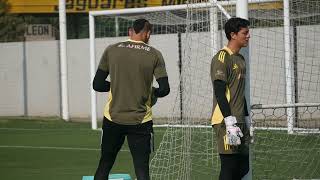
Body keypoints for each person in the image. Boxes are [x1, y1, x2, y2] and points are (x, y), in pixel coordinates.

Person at [92, 19, 170, 180]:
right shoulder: (154, 54)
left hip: (112, 117)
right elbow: (164, 89)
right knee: (142, 171)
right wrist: (151, 92)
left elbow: (98, 84)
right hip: (141, 120)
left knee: (104, 165)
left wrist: (118, 87)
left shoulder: (111, 50)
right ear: (147, 34)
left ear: (130, 32)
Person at [210, 17, 251, 180]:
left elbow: (239, 91)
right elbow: (219, 92)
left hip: (240, 119)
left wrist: (247, 119)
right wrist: (229, 121)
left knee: (243, 167)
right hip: (225, 121)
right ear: (233, 35)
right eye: (245, 33)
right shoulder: (222, 57)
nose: (248, 36)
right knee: (229, 167)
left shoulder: (240, 59)